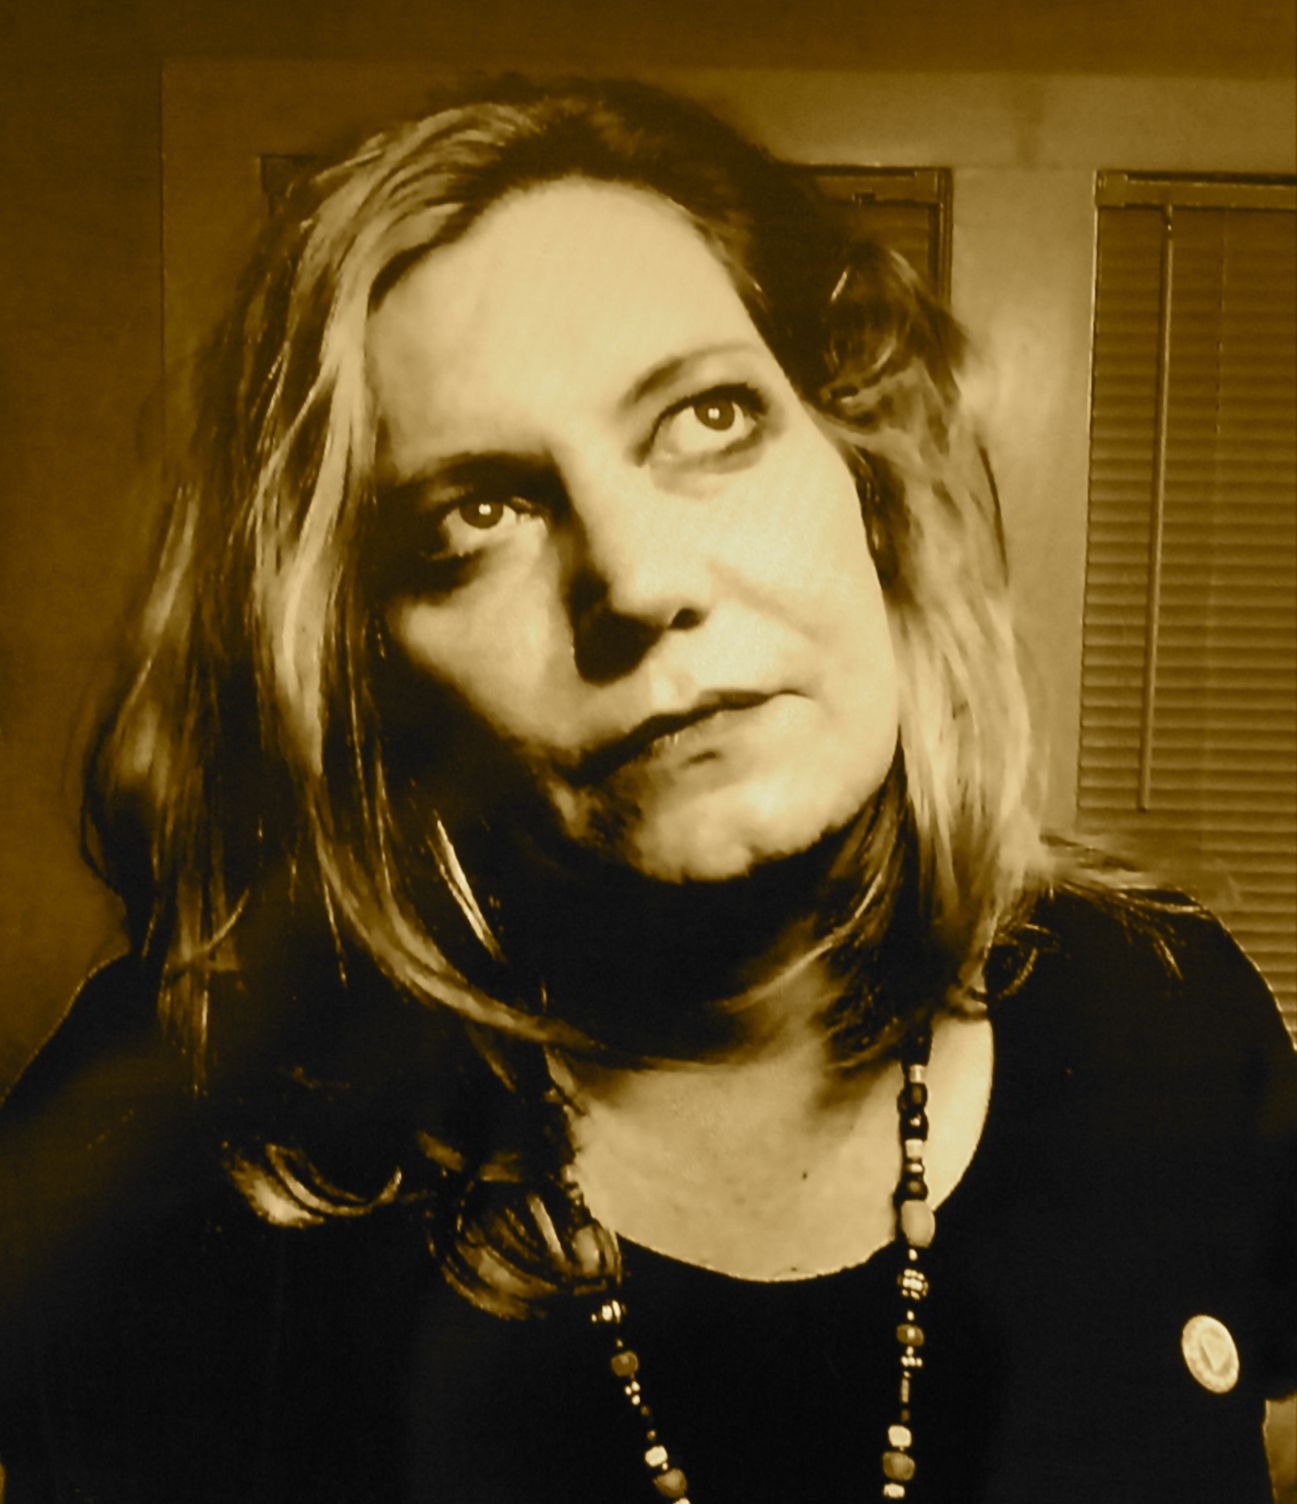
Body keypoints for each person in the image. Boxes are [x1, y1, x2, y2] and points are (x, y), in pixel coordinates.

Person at [0, 77, 1293, 1503]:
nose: (635, 579)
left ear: (866, 481)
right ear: (356, 664)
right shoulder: (174, 1149)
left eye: (710, 417)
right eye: (476, 513)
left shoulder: (1162, 1008)